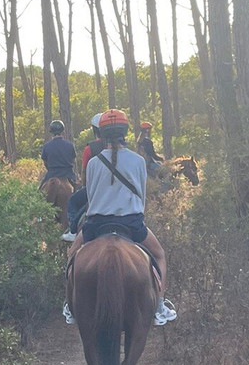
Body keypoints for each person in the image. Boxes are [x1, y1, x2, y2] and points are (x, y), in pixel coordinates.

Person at [62, 109, 177, 326]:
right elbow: (141, 197)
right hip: (131, 223)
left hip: (96, 225)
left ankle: (70, 305)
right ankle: (160, 305)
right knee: (160, 255)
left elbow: (91, 196)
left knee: (71, 256)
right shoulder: (137, 161)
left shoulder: (95, 162)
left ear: (102, 134)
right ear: (124, 132)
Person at [61, 113, 106, 242]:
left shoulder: (89, 149)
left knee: (73, 202)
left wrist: (85, 185)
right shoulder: (121, 148)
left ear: (94, 130)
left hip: (94, 189)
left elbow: (84, 172)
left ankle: (73, 230)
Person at [40, 119, 76, 187]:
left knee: (39, 193)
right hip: (68, 174)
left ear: (51, 132)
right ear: (63, 131)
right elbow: (73, 161)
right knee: (80, 190)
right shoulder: (70, 145)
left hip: (51, 174)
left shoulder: (46, 146)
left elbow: (45, 163)